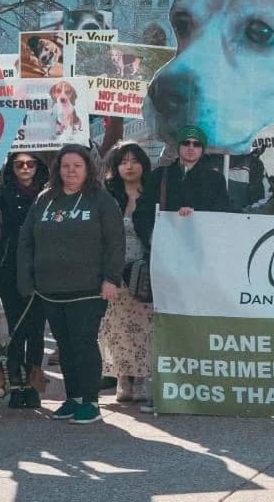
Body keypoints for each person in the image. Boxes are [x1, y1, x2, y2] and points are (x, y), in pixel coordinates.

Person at [16, 143, 126, 424]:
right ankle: (73, 397)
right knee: (64, 345)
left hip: (88, 289)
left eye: (77, 165)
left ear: (88, 168)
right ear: (58, 169)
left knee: (83, 343)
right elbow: (26, 240)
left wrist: (111, 278)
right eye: (66, 166)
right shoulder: (45, 198)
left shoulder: (101, 200)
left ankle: (90, 402)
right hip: (51, 289)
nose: (71, 171)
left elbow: (115, 242)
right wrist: (27, 279)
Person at [101, 142, 157, 402]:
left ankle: (143, 380)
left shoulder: (154, 193)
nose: (129, 166)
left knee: (145, 324)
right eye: (124, 161)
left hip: (145, 268)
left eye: (134, 160)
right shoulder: (108, 195)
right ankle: (122, 378)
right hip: (114, 268)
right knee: (117, 324)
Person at [0, 150, 49, 408]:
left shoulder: (49, 195)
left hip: (40, 267)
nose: (25, 168)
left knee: (37, 331)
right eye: (19, 164)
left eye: (30, 163)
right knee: (16, 330)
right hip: (10, 268)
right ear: (12, 168)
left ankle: (33, 386)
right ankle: (16, 385)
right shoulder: (2, 193)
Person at [154, 125, 234, 214]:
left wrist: (195, 215)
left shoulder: (216, 180)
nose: (191, 147)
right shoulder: (159, 175)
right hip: (165, 227)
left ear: (202, 149)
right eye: (186, 143)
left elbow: (221, 214)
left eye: (197, 144)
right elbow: (145, 211)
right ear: (178, 146)